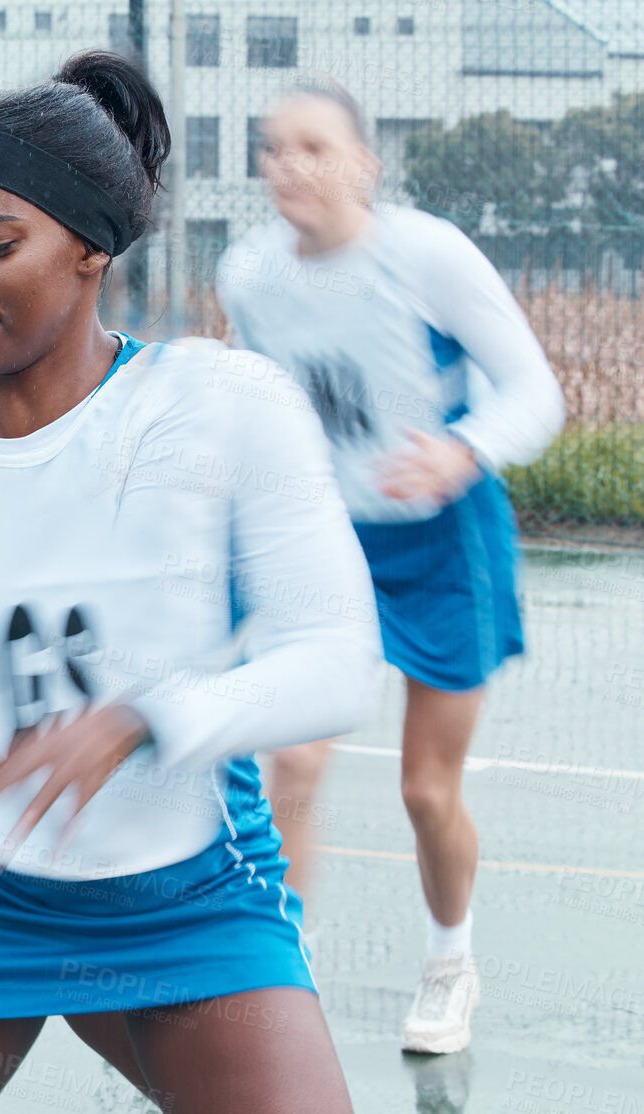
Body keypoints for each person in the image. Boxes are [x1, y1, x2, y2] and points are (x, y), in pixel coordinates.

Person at [0, 52, 383, 1114]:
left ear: (90, 251)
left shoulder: (219, 406)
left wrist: (140, 717)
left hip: (192, 894)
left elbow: (339, 662)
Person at [217, 81, 564, 1054]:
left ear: (365, 163)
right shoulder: (249, 272)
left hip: (446, 538)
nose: (291, 166)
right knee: (292, 758)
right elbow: (273, 407)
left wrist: (462, 451)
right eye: (273, 148)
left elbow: (537, 390)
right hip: (329, 539)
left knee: (425, 789)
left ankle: (451, 963)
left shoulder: (426, 256)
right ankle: (288, 968)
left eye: (315, 147)